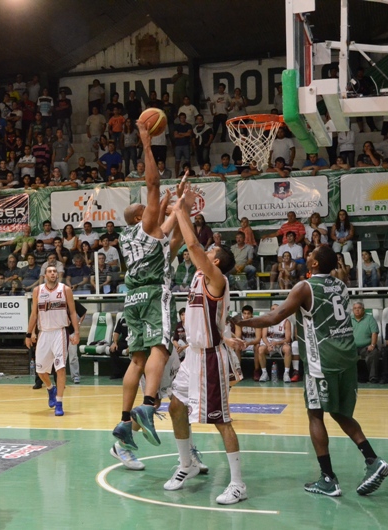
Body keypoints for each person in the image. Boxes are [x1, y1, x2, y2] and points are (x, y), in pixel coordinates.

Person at [235, 245, 388, 497]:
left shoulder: (304, 288)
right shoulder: (340, 285)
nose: (306, 256)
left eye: (311, 255)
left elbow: (275, 317)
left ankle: (328, 478)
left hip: (322, 360)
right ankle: (373, 460)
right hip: (346, 357)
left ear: (315, 264)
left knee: (315, 414)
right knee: (339, 412)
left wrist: (239, 322)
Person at [162, 190, 247, 504]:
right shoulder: (199, 275)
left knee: (221, 421)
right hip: (192, 356)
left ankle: (238, 484)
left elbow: (193, 245)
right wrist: (179, 208)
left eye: (212, 251)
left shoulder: (216, 279)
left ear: (216, 262)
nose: (206, 251)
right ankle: (187, 464)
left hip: (211, 359)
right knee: (175, 406)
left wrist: (180, 211)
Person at [112, 119, 184, 453]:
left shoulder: (128, 236)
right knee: (162, 347)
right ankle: (148, 403)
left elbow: (168, 228)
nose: (152, 208)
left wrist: (175, 202)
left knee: (137, 359)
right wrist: (146, 142)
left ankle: (124, 420)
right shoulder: (146, 225)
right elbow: (152, 184)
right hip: (155, 293)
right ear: (139, 216)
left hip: (133, 297)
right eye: (146, 209)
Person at [25, 264, 80, 416]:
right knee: (40, 371)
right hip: (44, 333)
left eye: (55, 271)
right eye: (50, 271)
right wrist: (29, 334)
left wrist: (76, 332)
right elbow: (34, 314)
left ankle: (59, 403)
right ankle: (50, 389)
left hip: (60, 332)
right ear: (45, 275)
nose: (53, 273)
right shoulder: (38, 291)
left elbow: (73, 312)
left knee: (60, 368)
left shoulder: (65, 289)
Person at [257, 305, 294, 383]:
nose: (274, 310)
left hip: (280, 344)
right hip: (269, 344)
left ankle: (286, 373)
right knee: (260, 349)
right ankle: (264, 373)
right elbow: (264, 337)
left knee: (287, 349)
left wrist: (277, 343)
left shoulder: (286, 321)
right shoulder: (267, 321)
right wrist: (268, 345)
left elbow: (288, 338)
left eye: (276, 309)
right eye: (272, 309)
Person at [351, 302, 381, 384]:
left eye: (359, 308)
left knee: (373, 353)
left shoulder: (370, 318)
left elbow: (374, 333)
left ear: (363, 309)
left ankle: (373, 377)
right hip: (352, 347)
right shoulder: (349, 319)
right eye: (355, 308)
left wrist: (372, 345)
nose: (357, 310)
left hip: (366, 346)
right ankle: (347, 378)